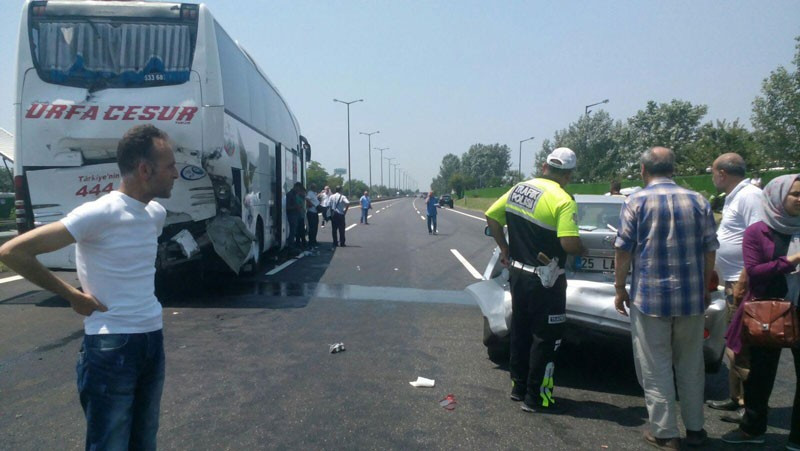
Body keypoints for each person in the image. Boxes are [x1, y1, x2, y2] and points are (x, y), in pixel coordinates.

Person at [0, 125, 178, 450]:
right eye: (170, 166)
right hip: (112, 345)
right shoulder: (98, 213)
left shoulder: (156, 214)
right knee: (109, 444)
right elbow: (13, 252)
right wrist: (72, 296)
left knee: (145, 441)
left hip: (152, 337)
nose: (176, 174)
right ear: (144, 170)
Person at [614, 146, 718, 449]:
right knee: (691, 364)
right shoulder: (699, 200)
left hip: (650, 298)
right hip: (691, 298)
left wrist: (620, 288)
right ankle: (695, 430)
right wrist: (705, 287)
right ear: (673, 169)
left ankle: (665, 433)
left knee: (655, 365)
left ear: (643, 170)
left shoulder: (635, 201)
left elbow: (623, 249)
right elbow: (710, 248)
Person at [485, 147, 585, 414]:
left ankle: (518, 387)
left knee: (520, 329)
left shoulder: (518, 189)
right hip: (547, 280)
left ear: (544, 167)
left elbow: (491, 216)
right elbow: (569, 243)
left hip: (518, 274)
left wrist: (504, 248)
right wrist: (583, 250)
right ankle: (537, 397)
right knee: (546, 337)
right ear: (568, 175)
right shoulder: (563, 200)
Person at [721, 174, 800, 448]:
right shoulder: (758, 231)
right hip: (768, 311)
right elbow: (755, 272)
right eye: (795, 194)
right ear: (778, 195)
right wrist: (791, 260)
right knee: (760, 375)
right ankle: (753, 429)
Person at [706, 153, 764, 423]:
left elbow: (759, 240)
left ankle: (748, 407)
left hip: (742, 282)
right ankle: (735, 396)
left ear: (722, 173)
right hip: (730, 280)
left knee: (741, 344)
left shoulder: (750, 196)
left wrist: (743, 280)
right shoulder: (735, 196)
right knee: (733, 340)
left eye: (713, 173)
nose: (712, 178)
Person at [285, 182, 304, 249]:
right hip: (292, 215)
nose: (299, 190)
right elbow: (287, 207)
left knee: (294, 231)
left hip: (295, 215)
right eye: (298, 189)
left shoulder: (294, 194)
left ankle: (292, 245)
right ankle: (290, 246)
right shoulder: (290, 194)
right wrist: (296, 207)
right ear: (296, 187)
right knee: (292, 231)